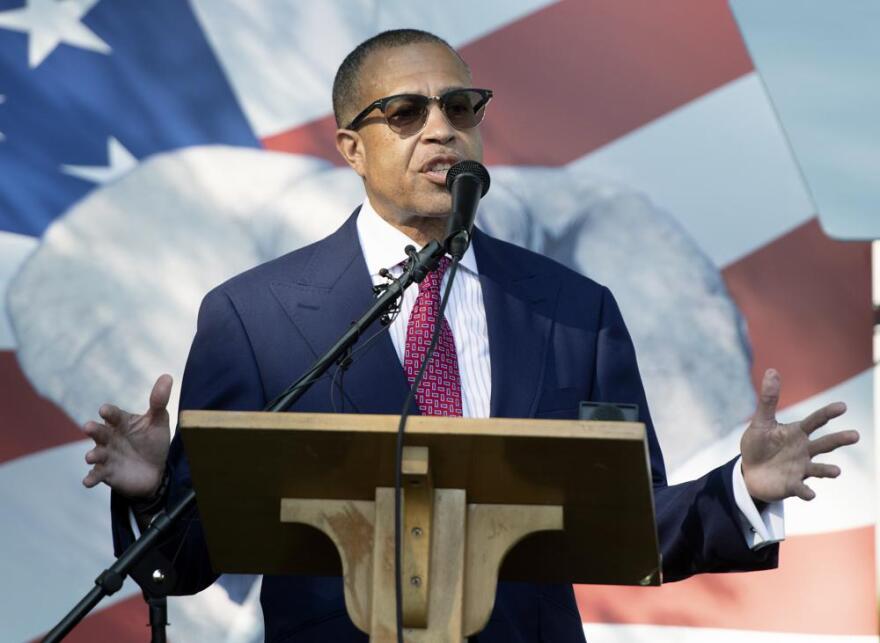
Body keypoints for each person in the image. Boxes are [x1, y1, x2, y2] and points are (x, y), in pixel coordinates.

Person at [81, 29, 859, 642]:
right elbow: (191, 558)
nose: (442, 130)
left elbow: (626, 521)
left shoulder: (572, 309)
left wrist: (740, 487)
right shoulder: (253, 315)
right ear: (351, 147)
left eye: (460, 107)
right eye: (405, 113)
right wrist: (153, 493)